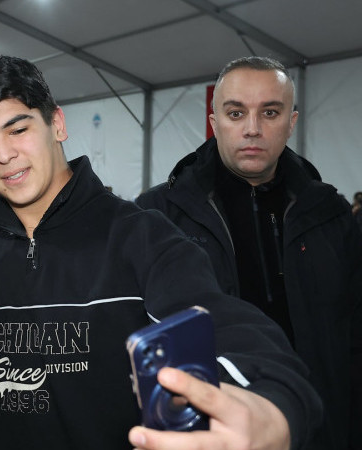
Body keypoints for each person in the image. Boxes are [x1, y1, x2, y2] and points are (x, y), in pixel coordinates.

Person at [0, 56, 322, 449]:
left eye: (18, 129)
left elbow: (230, 334)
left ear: (56, 124)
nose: (3, 154)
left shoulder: (141, 236)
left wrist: (272, 410)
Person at [136, 56, 362, 449]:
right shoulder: (158, 215)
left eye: (270, 112)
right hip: (212, 428)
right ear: (214, 122)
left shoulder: (331, 214)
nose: (252, 128)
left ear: (291, 122)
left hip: (322, 424)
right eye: (236, 113)